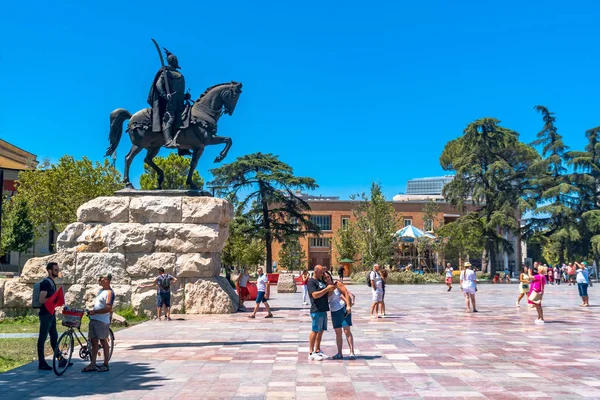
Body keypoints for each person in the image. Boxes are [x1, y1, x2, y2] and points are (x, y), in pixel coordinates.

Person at [147, 48, 187, 148]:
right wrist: (165, 95)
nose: (177, 61)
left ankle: (183, 146)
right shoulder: (166, 72)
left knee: (186, 118)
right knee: (170, 117)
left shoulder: (179, 74)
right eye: (175, 60)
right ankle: (169, 141)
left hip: (180, 101)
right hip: (171, 101)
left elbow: (179, 90)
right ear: (172, 61)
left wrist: (185, 96)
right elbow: (158, 84)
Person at [82, 272, 115, 372]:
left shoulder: (110, 292)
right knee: (93, 341)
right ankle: (92, 364)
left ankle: (105, 364)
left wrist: (95, 311)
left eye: (101, 278)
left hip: (102, 321)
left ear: (106, 280)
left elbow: (108, 308)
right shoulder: (101, 291)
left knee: (103, 341)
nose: (99, 280)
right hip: (94, 319)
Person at [37, 262, 67, 370]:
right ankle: (41, 362)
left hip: (51, 313)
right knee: (42, 338)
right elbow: (41, 299)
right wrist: (53, 300)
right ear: (49, 270)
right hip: (45, 314)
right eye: (55, 270)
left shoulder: (52, 282)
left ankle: (61, 359)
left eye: (57, 270)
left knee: (54, 337)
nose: (57, 272)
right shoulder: (46, 283)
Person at [323, 272, 355, 360]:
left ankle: (351, 352)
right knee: (338, 333)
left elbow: (345, 292)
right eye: (325, 278)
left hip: (343, 309)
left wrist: (348, 305)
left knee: (346, 330)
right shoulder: (325, 288)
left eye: (328, 277)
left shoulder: (337, 283)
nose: (327, 279)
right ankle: (339, 353)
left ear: (330, 276)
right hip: (334, 311)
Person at [307, 265, 335, 361]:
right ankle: (311, 352)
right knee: (315, 330)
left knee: (321, 331)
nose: (322, 274)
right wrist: (326, 289)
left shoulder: (321, 281)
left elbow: (327, 293)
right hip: (316, 310)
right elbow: (314, 295)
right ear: (316, 271)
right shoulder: (311, 282)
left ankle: (318, 350)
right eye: (321, 272)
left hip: (323, 309)